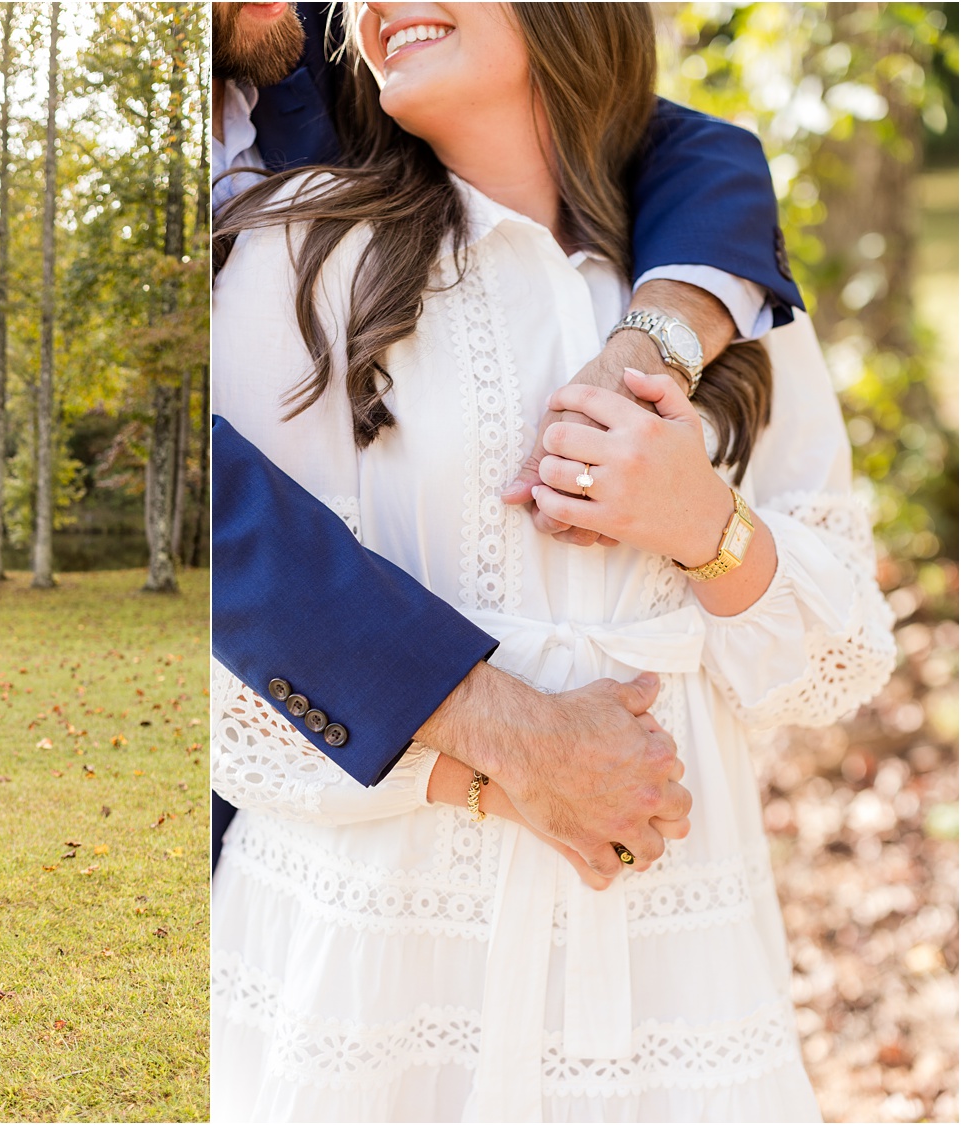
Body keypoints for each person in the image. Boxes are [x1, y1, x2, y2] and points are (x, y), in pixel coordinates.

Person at [210, 3, 896, 1118]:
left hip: (675, 963)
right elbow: (220, 660)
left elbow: (838, 658)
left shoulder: (728, 290)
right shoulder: (298, 253)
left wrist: (701, 524)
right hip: (376, 961)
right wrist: (504, 769)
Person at [208, 0, 809, 876]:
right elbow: (215, 520)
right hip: (321, 832)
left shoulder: (312, 41)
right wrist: (511, 749)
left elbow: (674, 135)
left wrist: (649, 351)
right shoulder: (291, 236)